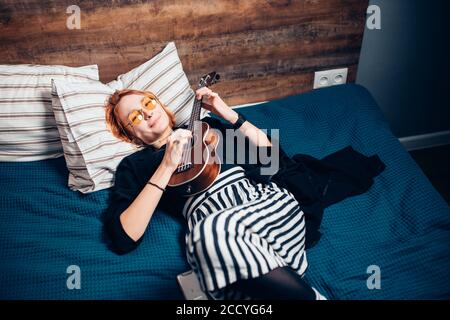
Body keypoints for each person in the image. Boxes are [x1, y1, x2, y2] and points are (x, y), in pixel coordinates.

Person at [103, 88, 326, 300]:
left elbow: (273, 160)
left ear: (161, 104)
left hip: (262, 204)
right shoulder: (135, 165)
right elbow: (124, 238)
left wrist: (228, 114)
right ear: (130, 137)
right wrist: (167, 165)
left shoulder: (205, 128)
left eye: (148, 103)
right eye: (135, 117)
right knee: (209, 239)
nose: (147, 112)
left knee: (211, 237)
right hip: (211, 232)